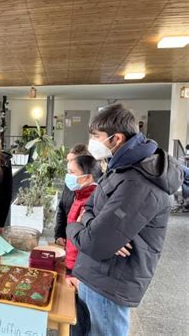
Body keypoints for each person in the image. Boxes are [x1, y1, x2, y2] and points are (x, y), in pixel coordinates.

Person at [67, 104, 184, 336]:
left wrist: (75, 225)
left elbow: (96, 242)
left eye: (96, 136)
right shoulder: (122, 167)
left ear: (117, 138)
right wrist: (93, 223)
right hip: (97, 275)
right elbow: (91, 206)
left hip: (110, 283)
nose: (92, 142)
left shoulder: (138, 182)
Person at [64, 155, 102, 336]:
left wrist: (77, 272)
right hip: (73, 266)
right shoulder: (80, 195)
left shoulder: (94, 200)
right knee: (75, 318)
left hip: (82, 272)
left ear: (87, 177)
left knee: (81, 323)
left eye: (72, 172)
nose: (68, 176)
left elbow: (88, 238)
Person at [54, 144, 90, 246]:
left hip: (81, 244)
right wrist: (59, 235)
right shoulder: (70, 182)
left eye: (72, 161)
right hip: (66, 242)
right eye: (68, 160)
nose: (69, 164)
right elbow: (61, 207)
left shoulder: (96, 191)